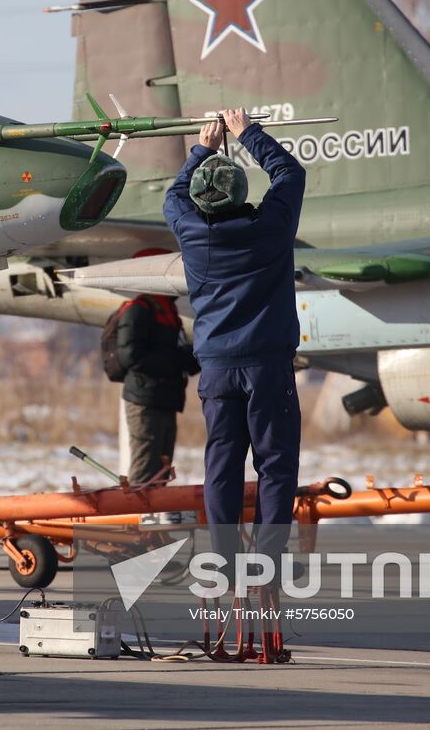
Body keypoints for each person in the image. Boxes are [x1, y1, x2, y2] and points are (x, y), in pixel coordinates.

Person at [162, 108, 306, 583]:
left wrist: (203, 147)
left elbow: (173, 195)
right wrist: (249, 134)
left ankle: (221, 564)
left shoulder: (191, 232)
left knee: (222, 466)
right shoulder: (273, 227)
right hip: (267, 366)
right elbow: (289, 172)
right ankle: (266, 563)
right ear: (242, 194)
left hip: (218, 370)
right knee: (275, 465)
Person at [111, 280, 198, 483]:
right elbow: (130, 355)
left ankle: (151, 513)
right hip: (145, 401)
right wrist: (177, 359)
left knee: (161, 472)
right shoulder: (140, 310)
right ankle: (135, 513)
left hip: (164, 399)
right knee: (144, 474)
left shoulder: (169, 311)